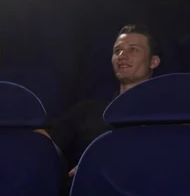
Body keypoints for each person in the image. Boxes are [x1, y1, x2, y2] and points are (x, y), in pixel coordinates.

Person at [47, 23, 161, 175]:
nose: (122, 56)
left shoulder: (165, 114)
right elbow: (45, 139)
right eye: (117, 51)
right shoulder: (88, 111)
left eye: (133, 49)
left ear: (153, 61)